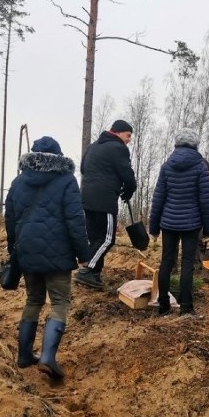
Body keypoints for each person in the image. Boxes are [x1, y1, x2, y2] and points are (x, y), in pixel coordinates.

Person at [5, 136, 91, 381]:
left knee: (33, 299)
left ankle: (24, 355)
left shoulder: (18, 181)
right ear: (59, 156)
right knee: (60, 302)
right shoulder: (66, 181)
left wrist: (14, 248)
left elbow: (10, 218)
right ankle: (47, 357)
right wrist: (84, 254)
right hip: (58, 253)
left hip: (27, 251)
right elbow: (76, 220)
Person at [149, 128, 209, 316]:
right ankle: (187, 308)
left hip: (168, 223)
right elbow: (206, 201)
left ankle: (163, 307)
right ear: (195, 145)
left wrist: (153, 228)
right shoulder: (200, 167)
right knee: (187, 264)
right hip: (191, 225)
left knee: (166, 263)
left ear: (176, 144)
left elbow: (158, 198)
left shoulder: (166, 166)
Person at [75, 119, 137, 289]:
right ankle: (88, 270)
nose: (129, 139)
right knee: (108, 239)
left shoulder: (93, 146)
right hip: (105, 200)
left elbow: (83, 168)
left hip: (87, 198)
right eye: (128, 135)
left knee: (95, 238)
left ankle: (94, 275)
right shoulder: (118, 148)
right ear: (118, 132)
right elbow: (127, 173)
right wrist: (130, 189)